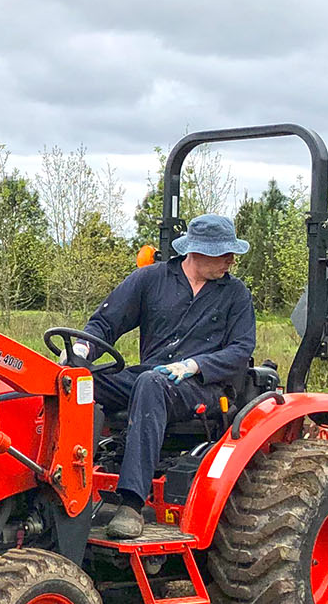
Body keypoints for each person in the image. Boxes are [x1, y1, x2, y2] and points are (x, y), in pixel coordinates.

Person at [78, 213, 257, 539]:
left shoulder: (235, 295)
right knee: (79, 383)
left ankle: (131, 502)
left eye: (232, 253)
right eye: (224, 253)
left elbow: (240, 351)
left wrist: (195, 365)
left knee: (151, 384)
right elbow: (105, 323)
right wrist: (79, 353)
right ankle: (65, 482)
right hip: (151, 376)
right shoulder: (151, 280)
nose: (231, 260)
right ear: (196, 251)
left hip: (202, 387)